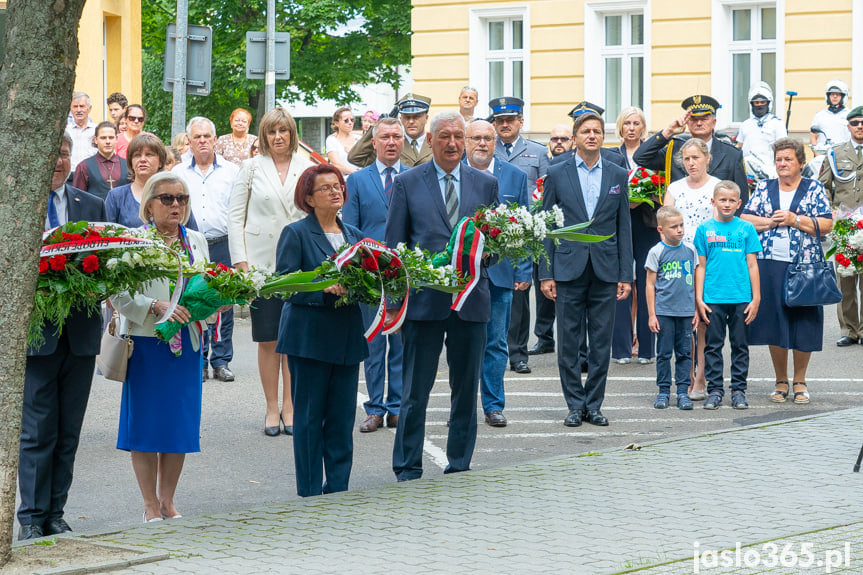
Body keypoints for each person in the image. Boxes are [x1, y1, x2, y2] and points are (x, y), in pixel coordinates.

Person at [386, 111, 499, 480]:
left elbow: (496, 245)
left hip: (471, 303)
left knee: (466, 391)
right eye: (445, 136)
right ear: (431, 141)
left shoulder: (486, 184)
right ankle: (407, 466)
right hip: (424, 304)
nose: (452, 143)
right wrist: (397, 301)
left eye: (458, 136)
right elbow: (394, 248)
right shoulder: (407, 182)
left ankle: (460, 464)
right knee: (415, 391)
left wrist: (480, 255)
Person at [17, 134, 106, 540]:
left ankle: (56, 512)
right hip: (39, 336)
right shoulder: (19, 205)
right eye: (51, 151)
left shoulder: (92, 205)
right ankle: (31, 518)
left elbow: (106, 264)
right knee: (38, 430)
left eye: (65, 153)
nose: (58, 160)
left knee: (69, 430)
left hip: (82, 335)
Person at [110, 172, 210, 523]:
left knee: (178, 426)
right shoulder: (132, 241)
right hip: (146, 343)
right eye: (167, 199)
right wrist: (154, 306)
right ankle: (150, 505)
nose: (176, 205)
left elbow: (206, 287)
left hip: (187, 344)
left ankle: (168, 501)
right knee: (146, 427)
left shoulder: (196, 240)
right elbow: (117, 294)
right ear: (149, 204)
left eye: (182, 199)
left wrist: (217, 301)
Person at [275, 164, 368, 496]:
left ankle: (339, 488)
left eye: (338, 186)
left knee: (342, 421)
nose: (335, 191)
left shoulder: (355, 236)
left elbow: (368, 282)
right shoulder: (296, 233)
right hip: (309, 338)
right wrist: (322, 289)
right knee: (310, 420)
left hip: (345, 339)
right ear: (309, 199)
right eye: (326, 188)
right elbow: (283, 284)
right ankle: (311, 493)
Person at [538, 112, 632, 428]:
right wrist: (545, 272)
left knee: (601, 342)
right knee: (568, 341)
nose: (591, 135)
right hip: (567, 268)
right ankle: (574, 405)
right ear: (576, 137)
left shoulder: (618, 174)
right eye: (585, 131)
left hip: (605, 269)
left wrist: (625, 275)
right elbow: (547, 225)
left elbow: (624, 226)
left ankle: (594, 405)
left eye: (596, 131)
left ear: (603, 138)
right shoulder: (556, 172)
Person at [229, 107, 313, 436]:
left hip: (299, 265)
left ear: (292, 134)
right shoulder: (250, 167)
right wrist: (241, 263)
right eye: (271, 132)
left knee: (293, 341)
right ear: (263, 137)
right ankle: (269, 407)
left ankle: (290, 406)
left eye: (284, 131)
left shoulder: (307, 167)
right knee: (268, 339)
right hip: (260, 265)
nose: (278, 137)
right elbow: (235, 217)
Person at [743, 138, 833, 404]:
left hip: (805, 265)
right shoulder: (764, 187)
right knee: (775, 323)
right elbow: (746, 217)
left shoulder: (813, 188)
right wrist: (770, 222)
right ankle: (781, 380)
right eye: (778, 159)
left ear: (801, 163)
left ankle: (800, 380)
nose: (782, 164)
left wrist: (796, 220)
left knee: (804, 322)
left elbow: (827, 224)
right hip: (769, 263)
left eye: (788, 159)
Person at [464, 119, 531, 427]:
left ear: (495, 143)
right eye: (475, 138)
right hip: (460, 275)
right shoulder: (453, 175)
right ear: (465, 141)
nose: (481, 143)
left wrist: (524, 270)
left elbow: (525, 225)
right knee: (462, 343)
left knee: (496, 343)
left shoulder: (514, 177)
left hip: (501, 275)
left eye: (487, 138)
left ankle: (493, 405)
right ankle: (460, 406)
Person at [342, 117, 407, 433]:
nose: (392, 142)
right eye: (385, 137)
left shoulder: (414, 177)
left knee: (400, 343)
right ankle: (375, 409)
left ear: (403, 142)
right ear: (374, 142)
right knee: (373, 345)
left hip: (405, 273)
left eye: (397, 137)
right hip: (370, 275)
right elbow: (350, 230)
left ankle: (396, 406)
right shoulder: (357, 181)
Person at [173, 117, 239, 382]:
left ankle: (221, 360)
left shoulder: (232, 171)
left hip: (222, 242)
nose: (202, 141)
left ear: (215, 140)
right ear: (188, 141)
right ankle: (198, 359)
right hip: (190, 245)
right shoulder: (178, 173)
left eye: (206, 136)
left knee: (224, 302)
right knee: (193, 299)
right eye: (196, 137)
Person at [490, 96, 549, 375]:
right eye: (499, 121)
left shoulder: (537, 152)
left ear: (520, 122)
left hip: (523, 230)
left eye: (510, 120)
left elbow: (546, 189)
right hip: (491, 231)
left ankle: (518, 353)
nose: (504, 125)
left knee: (520, 296)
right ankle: (494, 350)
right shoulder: (485, 148)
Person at [694, 181, 762, 410]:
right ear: (713, 202)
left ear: (739, 203)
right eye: (722, 200)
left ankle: (739, 390)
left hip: (741, 297)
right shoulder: (704, 229)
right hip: (713, 298)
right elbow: (700, 266)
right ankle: (714, 390)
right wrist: (699, 298)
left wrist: (756, 298)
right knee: (712, 346)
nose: (727, 204)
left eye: (732, 200)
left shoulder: (746, 229)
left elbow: (752, 264)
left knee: (740, 345)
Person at [663, 138, 721, 398]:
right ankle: (684, 375)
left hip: (710, 259)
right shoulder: (675, 188)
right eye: (686, 159)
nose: (691, 163)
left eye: (696, 158)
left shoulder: (717, 186)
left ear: (707, 158)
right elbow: (665, 226)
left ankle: (701, 377)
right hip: (681, 260)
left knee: (705, 321)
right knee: (685, 322)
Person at [634, 95, 749, 205]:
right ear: (687, 122)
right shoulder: (675, 149)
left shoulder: (732, 154)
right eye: (694, 119)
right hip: (680, 221)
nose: (699, 123)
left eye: (704, 119)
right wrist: (668, 131)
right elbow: (640, 157)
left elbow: (741, 198)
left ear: (713, 123)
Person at [612, 106, 657, 366]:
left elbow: (663, 187)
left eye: (636, 123)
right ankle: (621, 347)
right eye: (627, 123)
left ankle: (648, 347)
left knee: (646, 281)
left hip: (647, 223)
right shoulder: (610, 155)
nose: (631, 127)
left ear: (643, 128)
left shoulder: (653, 155)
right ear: (620, 127)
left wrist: (648, 196)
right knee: (620, 281)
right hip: (619, 223)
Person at [645, 206, 697, 410]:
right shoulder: (656, 252)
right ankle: (663, 391)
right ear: (661, 229)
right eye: (674, 227)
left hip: (685, 312)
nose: (680, 230)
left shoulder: (690, 250)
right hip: (664, 312)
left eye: (681, 225)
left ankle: (683, 392)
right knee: (664, 353)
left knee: (685, 353)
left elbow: (694, 281)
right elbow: (650, 284)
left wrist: (695, 309)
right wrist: (652, 314)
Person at [819, 105, 863, 347]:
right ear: (848, 127)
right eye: (855, 123)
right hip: (845, 225)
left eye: (862, 122)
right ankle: (849, 329)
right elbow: (823, 185)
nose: (859, 127)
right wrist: (830, 210)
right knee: (845, 279)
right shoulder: (835, 153)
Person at [348, 93, 433, 168]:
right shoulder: (391, 144)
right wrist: (377, 128)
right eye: (407, 117)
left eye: (416, 117)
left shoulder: (435, 143)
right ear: (401, 119)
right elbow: (355, 158)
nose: (411, 121)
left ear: (426, 118)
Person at [105, 135, 171, 228]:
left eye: (149, 154)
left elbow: (189, 233)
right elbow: (106, 235)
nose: (142, 159)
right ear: (131, 162)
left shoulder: (174, 195)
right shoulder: (116, 196)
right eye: (137, 155)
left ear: (160, 161)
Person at [73, 121, 129, 200]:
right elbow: (77, 198)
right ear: (96, 140)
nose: (108, 141)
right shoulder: (84, 166)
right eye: (103, 138)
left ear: (116, 139)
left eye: (111, 137)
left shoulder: (127, 165)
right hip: (95, 212)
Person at [735, 82, 787, 159]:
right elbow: (739, 146)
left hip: (770, 168)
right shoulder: (745, 124)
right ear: (752, 104)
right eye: (756, 103)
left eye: (762, 102)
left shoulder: (777, 123)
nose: (759, 105)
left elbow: (784, 147)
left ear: (768, 103)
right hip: (747, 168)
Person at [810, 80, 851, 150]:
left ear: (843, 96)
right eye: (832, 94)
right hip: (823, 156)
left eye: (838, 94)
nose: (834, 97)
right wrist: (818, 156)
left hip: (844, 156)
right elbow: (813, 137)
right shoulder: (819, 115)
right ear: (828, 96)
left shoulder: (850, 114)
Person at [65, 92, 97, 174]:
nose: (78, 110)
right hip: (71, 175)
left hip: (91, 175)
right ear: (71, 109)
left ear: (89, 109)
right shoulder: (66, 131)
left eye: (82, 106)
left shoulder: (97, 130)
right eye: (75, 107)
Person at [326, 106, 360, 176]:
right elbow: (337, 164)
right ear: (336, 123)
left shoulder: (359, 138)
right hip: (342, 181)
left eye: (352, 120)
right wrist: (358, 174)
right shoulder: (332, 140)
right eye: (346, 120)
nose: (350, 123)